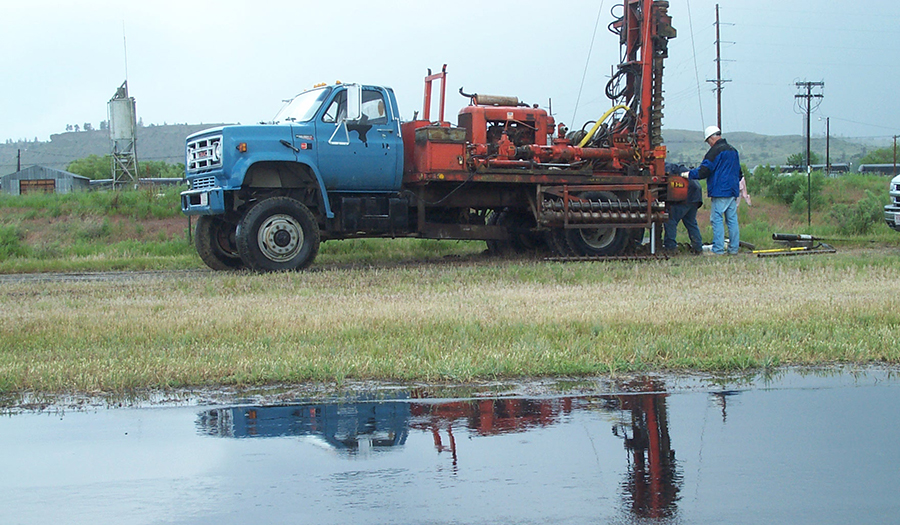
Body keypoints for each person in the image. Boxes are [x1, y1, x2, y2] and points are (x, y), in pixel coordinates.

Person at [682, 125, 742, 255]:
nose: (709, 144)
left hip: (720, 191)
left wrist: (688, 174)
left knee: (717, 219)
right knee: (732, 220)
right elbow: (739, 173)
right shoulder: (733, 150)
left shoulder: (715, 151)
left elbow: (704, 171)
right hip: (732, 191)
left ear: (711, 138)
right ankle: (733, 249)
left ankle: (718, 249)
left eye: (708, 141)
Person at [663, 162, 703, 254]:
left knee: (670, 221)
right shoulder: (679, 168)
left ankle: (671, 247)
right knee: (691, 223)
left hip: (685, 197)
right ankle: (698, 247)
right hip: (696, 197)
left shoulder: (667, 168)